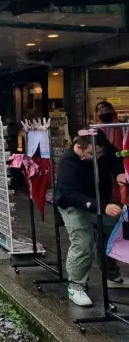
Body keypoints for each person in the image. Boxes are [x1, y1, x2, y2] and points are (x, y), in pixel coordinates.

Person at [55, 129, 126, 307]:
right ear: (79, 146)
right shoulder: (67, 162)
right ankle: (76, 285)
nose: (97, 156)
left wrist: (118, 173)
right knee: (83, 240)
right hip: (74, 204)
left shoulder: (103, 148)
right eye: (91, 153)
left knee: (117, 230)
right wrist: (102, 207)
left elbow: (115, 158)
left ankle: (110, 273)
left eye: (100, 152)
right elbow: (73, 195)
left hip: (101, 201)